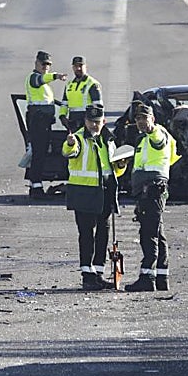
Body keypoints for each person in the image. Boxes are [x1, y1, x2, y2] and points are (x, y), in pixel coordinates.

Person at [62, 103, 125, 291]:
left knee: (103, 234)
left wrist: (121, 165)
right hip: (83, 193)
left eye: (97, 122)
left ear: (104, 121)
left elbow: (113, 169)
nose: (94, 126)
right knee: (86, 235)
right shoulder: (79, 138)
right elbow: (69, 151)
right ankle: (87, 275)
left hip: (104, 192)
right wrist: (70, 143)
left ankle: (98, 272)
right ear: (85, 121)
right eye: (91, 122)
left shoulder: (109, 140)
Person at [124, 101, 178, 292]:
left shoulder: (157, 133)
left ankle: (147, 278)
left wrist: (152, 128)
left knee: (148, 234)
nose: (141, 122)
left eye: (144, 118)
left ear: (153, 119)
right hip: (145, 190)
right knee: (157, 233)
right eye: (138, 119)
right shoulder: (141, 140)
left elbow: (158, 140)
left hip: (153, 188)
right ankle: (162, 277)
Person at [24, 50, 67, 197]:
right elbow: (39, 81)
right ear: (36, 63)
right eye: (43, 64)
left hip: (43, 121)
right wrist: (56, 76)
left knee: (41, 153)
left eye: (48, 64)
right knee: (39, 154)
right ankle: (36, 187)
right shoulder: (34, 78)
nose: (46, 67)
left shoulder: (44, 81)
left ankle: (35, 184)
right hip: (38, 120)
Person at [60, 55, 103, 132]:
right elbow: (64, 103)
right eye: (76, 66)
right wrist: (62, 117)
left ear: (86, 67)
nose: (78, 68)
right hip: (72, 121)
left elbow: (98, 106)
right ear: (73, 68)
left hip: (88, 121)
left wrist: (95, 123)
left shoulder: (92, 84)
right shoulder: (69, 85)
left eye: (80, 66)